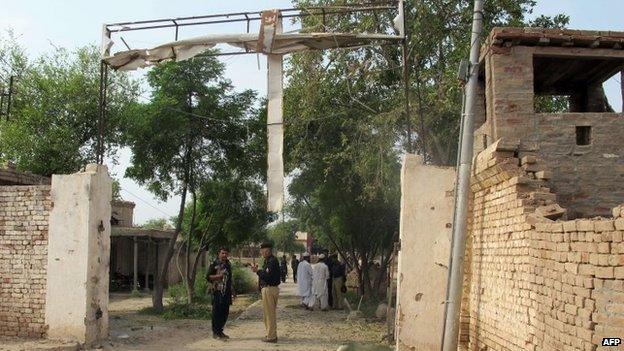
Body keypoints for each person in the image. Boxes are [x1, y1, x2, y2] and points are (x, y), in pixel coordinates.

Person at [252, 242, 281, 343]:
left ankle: (271, 336)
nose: (262, 254)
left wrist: (258, 271)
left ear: (267, 251)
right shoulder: (268, 261)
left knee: (270, 314)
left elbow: (268, 277)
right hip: (268, 289)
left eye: (263, 252)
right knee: (268, 314)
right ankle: (270, 333)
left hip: (270, 289)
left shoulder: (272, 261)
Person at [206, 247, 234, 340]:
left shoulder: (228, 264)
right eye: (223, 253)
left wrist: (232, 289)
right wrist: (219, 276)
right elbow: (208, 277)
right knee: (216, 313)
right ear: (219, 254)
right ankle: (215, 332)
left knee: (225, 312)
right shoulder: (214, 264)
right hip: (217, 292)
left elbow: (229, 278)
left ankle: (220, 331)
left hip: (226, 292)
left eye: (226, 253)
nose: (224, 255)